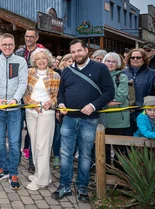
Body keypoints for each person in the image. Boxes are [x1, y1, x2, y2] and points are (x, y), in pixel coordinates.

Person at [51, 39, 114, 202]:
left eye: (79, 50)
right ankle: (64, 186)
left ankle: (82, 188)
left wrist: (93, 105)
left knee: (85, 155)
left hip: (89, 120)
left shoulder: (100, 68)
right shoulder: (66, 71)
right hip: (69, 119)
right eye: (73, 51)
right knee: (65, 154)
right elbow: (61, 93)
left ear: (86, 50)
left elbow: (109, 93)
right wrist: (62, 104)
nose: (76, 54)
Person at [0, 33, 28, 190]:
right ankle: (4, 168)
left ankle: (13, 171)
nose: (7, 47)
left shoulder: (21, 61)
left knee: (14, 141)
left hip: (14, 108)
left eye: (10, 44)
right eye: (4, 44)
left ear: (14, 45)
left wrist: (15, 100)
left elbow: (22, 83)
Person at [23, 48, 60, 191]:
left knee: (43, 146)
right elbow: (24, 93)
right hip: (30, 111)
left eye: (44, 58)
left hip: (46, 113)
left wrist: (50, 103)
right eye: (38, 59)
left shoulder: (55, 75)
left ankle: (41, 180)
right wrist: (31, 103)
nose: (41, 61)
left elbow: (57, 96)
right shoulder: (28, 73)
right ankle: (41, 174)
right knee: (34, 143)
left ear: (48, 59)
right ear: (34, 61)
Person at [15, 28, 44, 173]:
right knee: (17, 130)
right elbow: (13, 74)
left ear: (37, 38)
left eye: (31, 36)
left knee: (34, 132)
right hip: (20, 96)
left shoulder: (42, 54)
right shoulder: (19, 53)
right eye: (26, 36)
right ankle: (16, 158)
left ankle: (32, 160)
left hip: (35, 96)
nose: (28, 39)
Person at [102, 52, 130, 168]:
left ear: (118, 64)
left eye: (113, 61)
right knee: (104, 150)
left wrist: (101, 102)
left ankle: (121, 178)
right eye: (108, 61)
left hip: (118, 120)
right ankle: (106, 174)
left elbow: (120, 97)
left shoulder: (122, 77)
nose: (110, 63)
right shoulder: (99, 76)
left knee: (120, 152)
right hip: (102, 120)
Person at [123, 48, 155, 135]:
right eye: (132, 57)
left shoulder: (153, 74)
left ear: (144, 59)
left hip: (145, 113)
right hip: (126, 112)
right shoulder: (122, 73)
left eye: (138, 57)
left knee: (144, 138)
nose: (135, 59)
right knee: (127, 138)